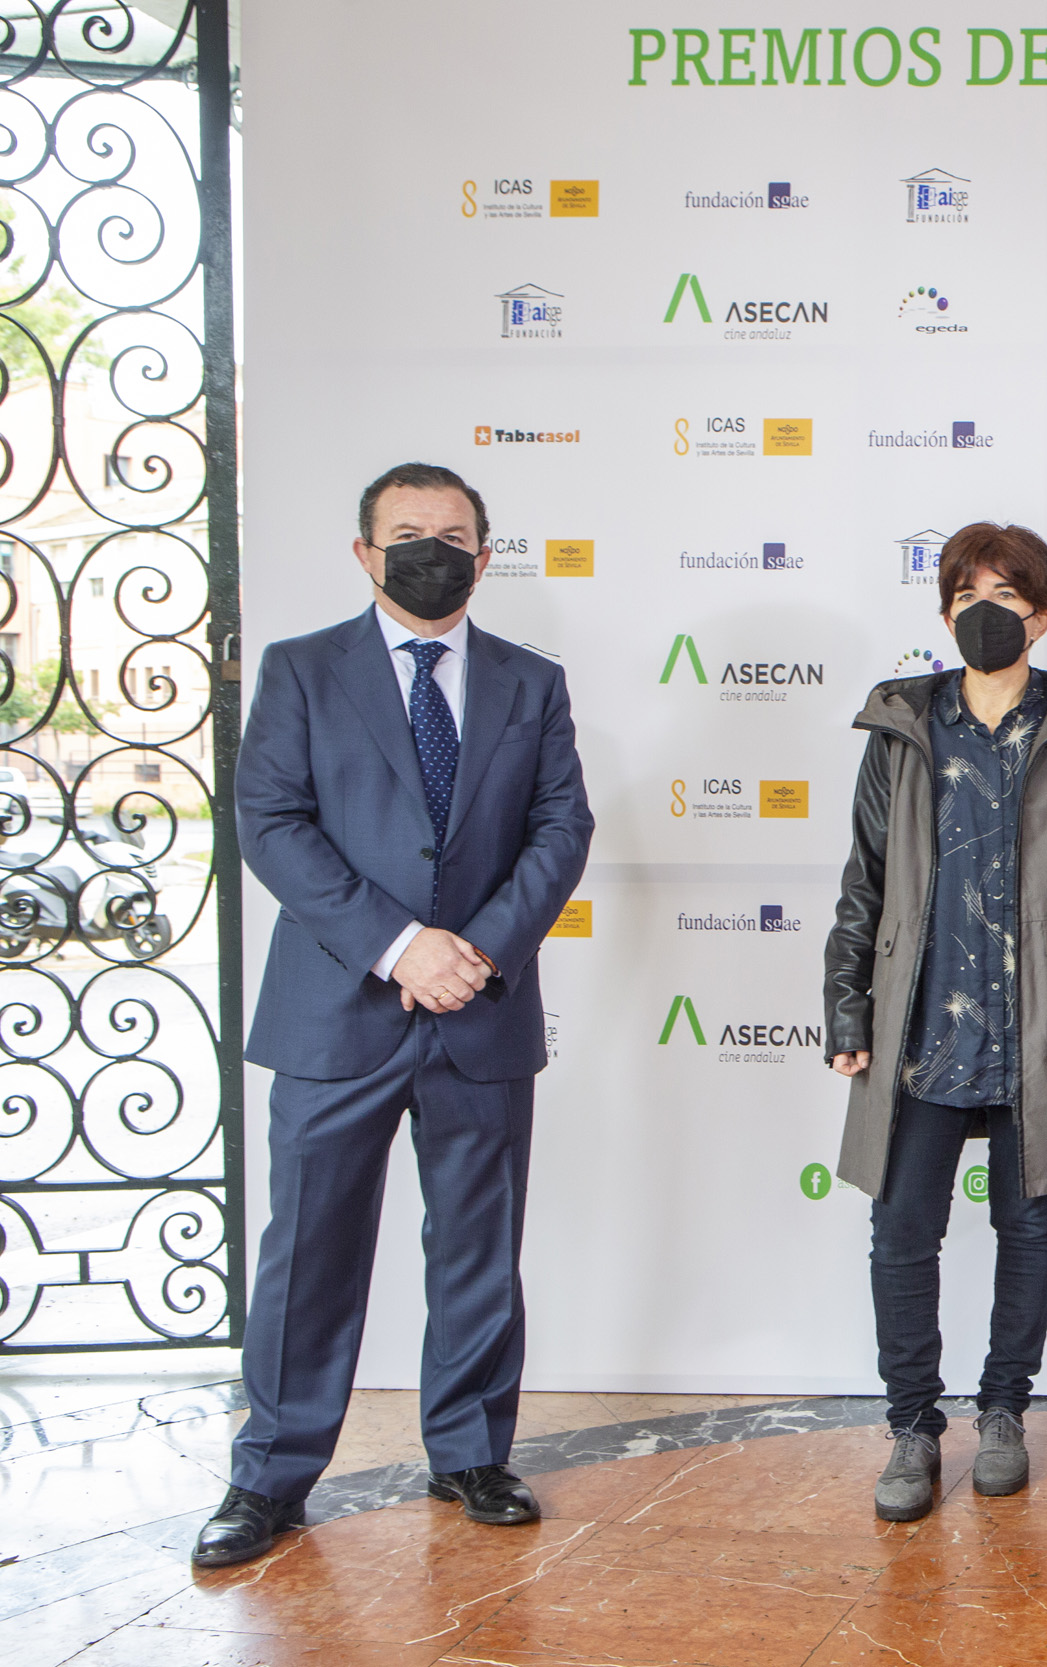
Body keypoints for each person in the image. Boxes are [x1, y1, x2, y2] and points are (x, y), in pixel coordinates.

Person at [195, 463, 593, 1567]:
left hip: (480, 1009)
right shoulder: (301, 669)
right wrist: (399, 945)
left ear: (485, 556)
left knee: (478, 1246)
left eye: (453, 535)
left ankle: (471, 1452)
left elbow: (561, 828)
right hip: (337, 1010)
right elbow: (271, 822)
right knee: (308, 1253)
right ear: (365, 552)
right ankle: (269, 1474)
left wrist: (477, 952)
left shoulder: (531, 681)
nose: (432, 551)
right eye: (408, 532)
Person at [824, 521, 1047, 1522]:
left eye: (1005, 594)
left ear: (1041, 616)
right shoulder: (903, 722)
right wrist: (846, 1003)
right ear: (944, 610)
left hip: (1038, 1024)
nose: (983, 611)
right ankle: (913, 1426)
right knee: (900, 1230)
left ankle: (1004, 1411)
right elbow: (864, 878)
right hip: (922, 1020)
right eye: (966, 593)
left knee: (1028, 1223)